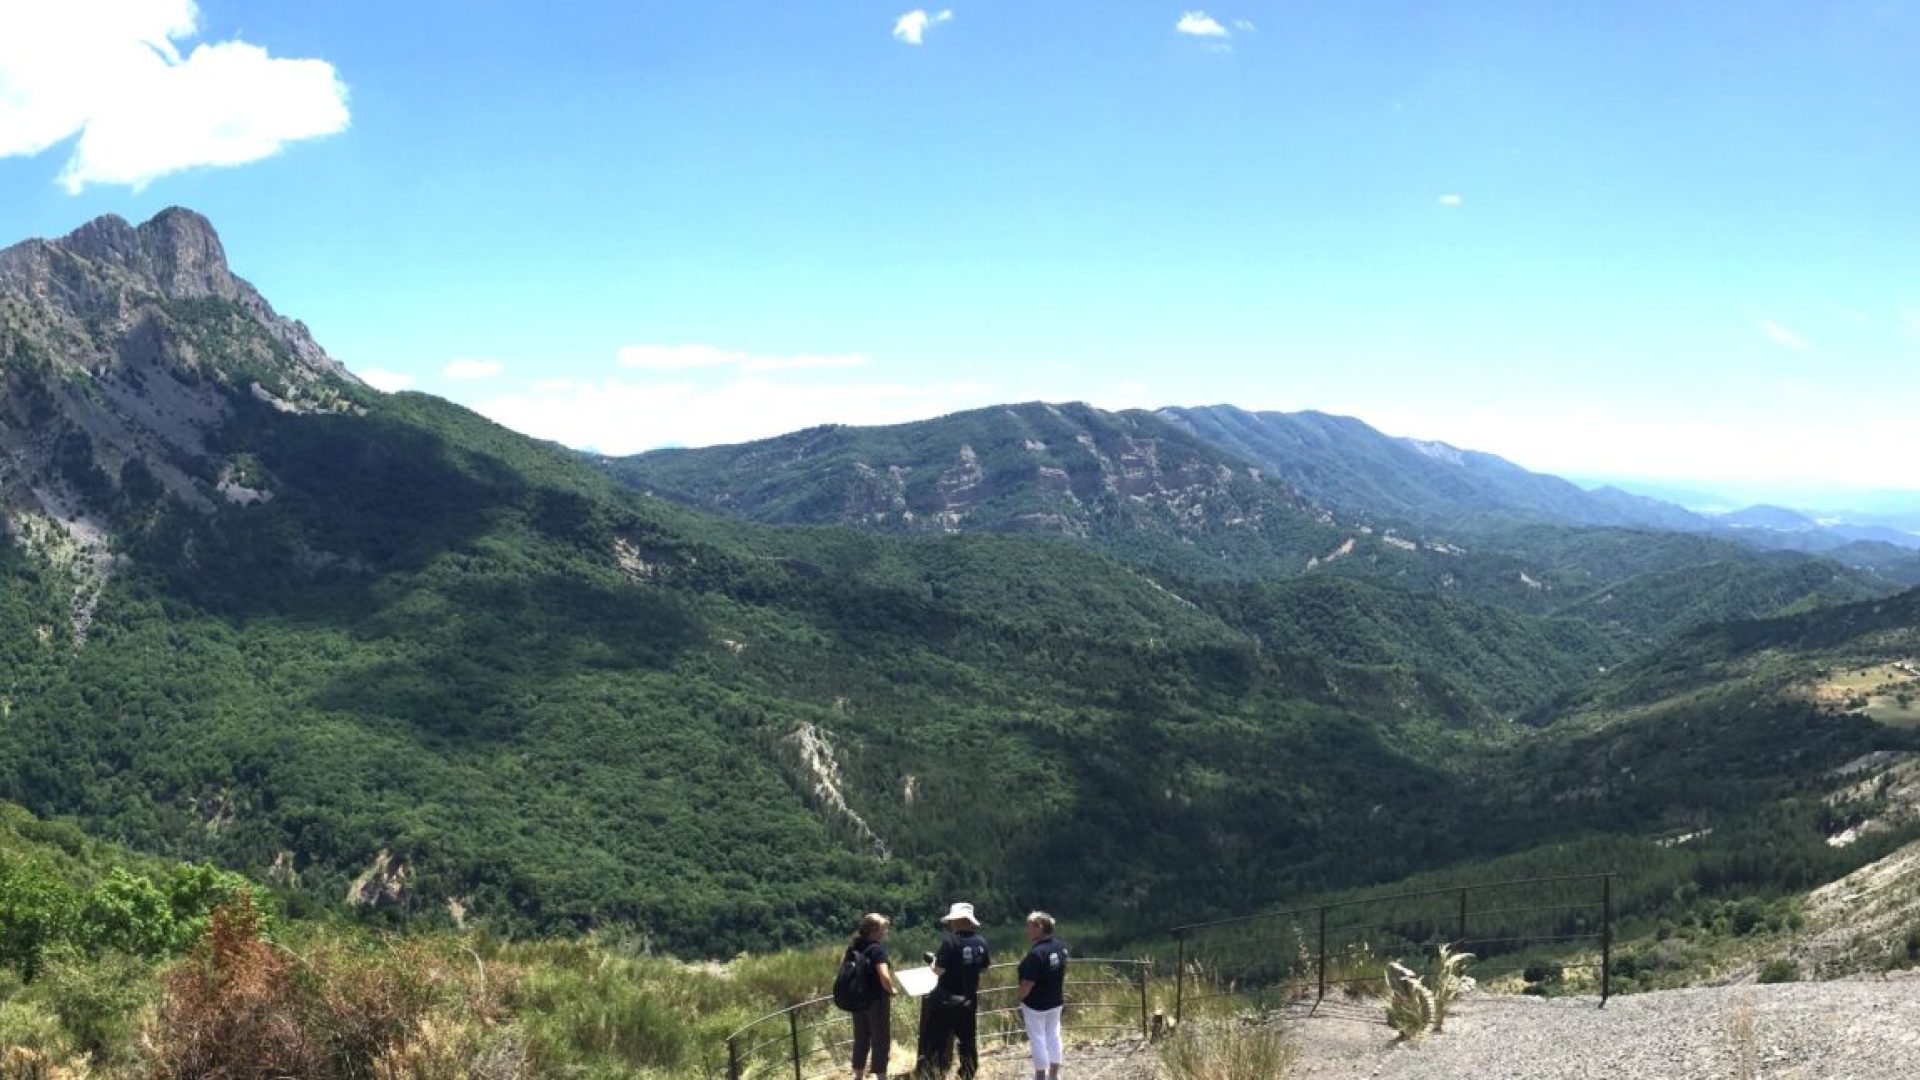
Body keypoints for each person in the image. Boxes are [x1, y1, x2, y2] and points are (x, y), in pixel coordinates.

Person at [916, 902, 991, 1079]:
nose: (951, 924)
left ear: (958, 921)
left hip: (946, 999)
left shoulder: (950, 941)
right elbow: (984, 967)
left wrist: (933, 961)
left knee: (937, 1040)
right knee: (967, 1040)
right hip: (969, 999)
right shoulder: (981, 943)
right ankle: (968, 1072)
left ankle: (933, 1073)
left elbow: (939, 970)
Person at [1017, 911, 1068, 1080]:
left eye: (1030, 927)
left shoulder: (1037, 954)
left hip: (1036, 1004)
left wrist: (1021, 997)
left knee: (1037, 1038)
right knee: (1054, 1034)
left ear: (1040, 928)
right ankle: (1053, 1074)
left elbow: (1028, 982)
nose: (1027, 931)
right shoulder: (1060, 947)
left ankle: (1040, 1075)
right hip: (1055, 1000)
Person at [845, 912, 897, 1080]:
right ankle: (881, 1076)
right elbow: (884, 976)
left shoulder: (853, 948)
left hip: (858, 1000)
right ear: (875, 930)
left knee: (861, 1037)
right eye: (883, 928)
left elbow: (844, 971)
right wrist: (891, 990)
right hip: (876, 1000)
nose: (885, 932)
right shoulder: (877, 950)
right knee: (880, 1039)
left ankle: (858, 1075)